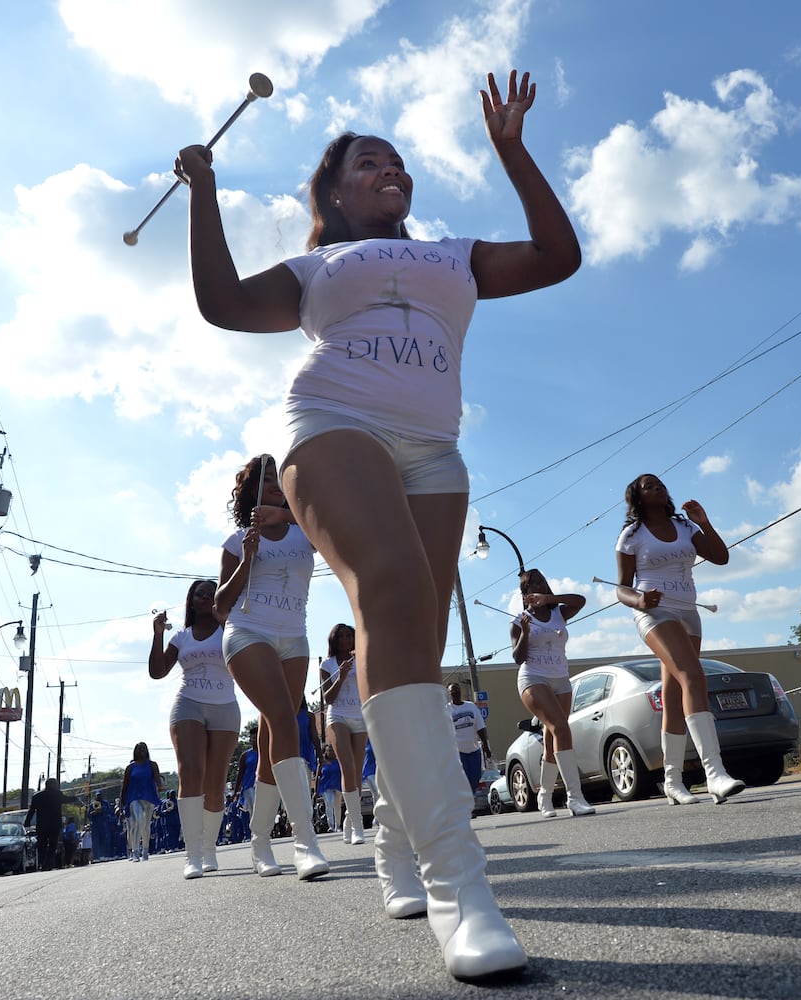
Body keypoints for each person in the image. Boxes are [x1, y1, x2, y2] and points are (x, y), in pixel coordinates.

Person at [179, 68, 579, 980]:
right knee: (393, 593)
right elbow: (222, 303)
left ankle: (399, 843)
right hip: (330, 427)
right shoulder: (319, 266)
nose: (390, 168)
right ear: (333, 192)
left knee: (411, 640)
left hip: (434, 453)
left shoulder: (455, 253)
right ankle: (459, 885)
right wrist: (204, 195)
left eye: (398, 161)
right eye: (369, 162)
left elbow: (559, 257)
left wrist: (513, 153)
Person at [214, 456, 328, 881]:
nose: (275, 483)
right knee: (285, 718)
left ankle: (260, 841)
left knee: (272, 740)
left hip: (293, 637)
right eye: (264, 479)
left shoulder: (305, 532)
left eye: (278, 478)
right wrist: (247, 558)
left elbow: (330, 519)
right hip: (247, 633)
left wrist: (285, 514)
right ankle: (305, 842)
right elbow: (221, 607)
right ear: (250, 491)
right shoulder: (238, 538)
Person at [614, 474, 746, 805]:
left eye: (660, 484)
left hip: (689, 612)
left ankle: (672, 780)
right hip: (654, 614)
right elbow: (621, 588)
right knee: (693, 675)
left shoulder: (686, 527)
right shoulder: (631, 535)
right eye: (648, 486)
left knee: (674, 694)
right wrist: (640, 601)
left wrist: (704, 522)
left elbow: (720, 557)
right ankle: (714, 773)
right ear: (637, 497)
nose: (657, 487)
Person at [149, 578, 240, 880]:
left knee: (215, 784)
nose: (205, 598)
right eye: (199, 594)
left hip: (224, 705)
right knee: (190, 776)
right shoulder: (181, 638)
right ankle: (192, 855)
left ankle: (210, 849)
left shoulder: (230, 629)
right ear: (190, 600)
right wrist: (158, 635)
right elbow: (157, 671)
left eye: (211, 594)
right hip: (188, 705)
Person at [507, 568, 592, 817]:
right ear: (525, 594)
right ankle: (574, 798)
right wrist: (525, 632)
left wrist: (550, 600)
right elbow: (517, 658)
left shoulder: (559, 612)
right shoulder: (518, 621)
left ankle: (544, 796)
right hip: (533, 678)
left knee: (551, 739)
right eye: (532, 585)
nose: (538, 586)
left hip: (560, 679)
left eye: (541, 582)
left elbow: (581, 601)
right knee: (561, 728)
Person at [320, 624, 368, 846]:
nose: (346, 639)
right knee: (347, 767)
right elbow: (327, 699)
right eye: (341, 636)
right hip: (337, 715)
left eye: (350, 635)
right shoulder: (327, 664)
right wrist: (341, 676)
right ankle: (358, 825)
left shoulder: (362, 659)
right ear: (334, 640)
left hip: (360, 716)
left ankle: (350, 816)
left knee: (357, 772)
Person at [447, 682, 494, 805]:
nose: (455, 693)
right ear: (449, 694)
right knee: (463, 779)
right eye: (452, 691)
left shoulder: (471, 707)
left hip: (474, 750)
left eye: (456, 690)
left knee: (475, 778)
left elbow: (480, 727)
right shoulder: (446, 710)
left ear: (460, 692)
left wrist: (486, 747)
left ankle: (469, 799)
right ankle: (467, 805)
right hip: (458, 752)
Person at [120, 742, 164, 860]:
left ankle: (145, 849)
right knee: (138, 821)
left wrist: (160, 787)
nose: (141, 751)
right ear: (135, 751)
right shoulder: (130, 767)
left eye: (144, 749)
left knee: (145, 825)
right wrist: (121, 803)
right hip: (133, 797)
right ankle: (135, 851)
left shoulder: (152, 765)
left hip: (148, 796)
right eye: (139, 749)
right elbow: (124, 785)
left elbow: (157, 778)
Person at [25, 777, 66, 871]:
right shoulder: (57, 794)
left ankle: (42, 863)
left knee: (41, 845)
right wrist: (76, 798)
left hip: (42, 825)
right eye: (56, 784)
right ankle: (49, 864)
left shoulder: (37, 796)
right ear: (53, 785)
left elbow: (31, 811)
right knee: (52, 845)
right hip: (54, 825)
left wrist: (27, 822)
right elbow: (66, 799)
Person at [316, 742, 343, 835]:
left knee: (337, 806)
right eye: (329, 750)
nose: (331, 752)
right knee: (329, 803)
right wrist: (316, 790)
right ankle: (331, 825)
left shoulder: (339, 761)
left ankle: (338, 825)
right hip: (326, 786)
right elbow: (318, 775)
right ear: (325, 752)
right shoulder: (322, 762)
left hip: (338, 785)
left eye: (332, 750)